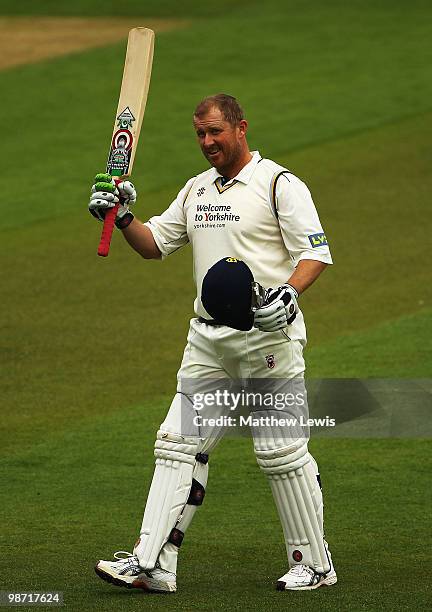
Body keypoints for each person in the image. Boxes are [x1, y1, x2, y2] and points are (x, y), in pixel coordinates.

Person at [89, 94, 337, 593]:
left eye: (215, 132)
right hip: (207, 341)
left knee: (280, 454)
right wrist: (120, 217)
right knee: (177, 445)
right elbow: (154, 245)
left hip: (267, 338)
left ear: (241, 128)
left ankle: (314, 564)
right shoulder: (196, 190)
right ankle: (152, 563)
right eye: (200, 134)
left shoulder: (278, 185)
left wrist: (287, 294)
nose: (207, 142)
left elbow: (315, 254)